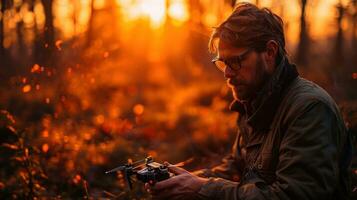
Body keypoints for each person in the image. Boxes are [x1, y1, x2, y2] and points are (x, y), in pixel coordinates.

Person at [145, 2, 352, 200]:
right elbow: (238, 168)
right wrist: (185, 181)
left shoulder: (309, 109)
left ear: (270, 52)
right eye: (223, 62)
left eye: (235, 61)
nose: (226, 73)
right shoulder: (253, 101)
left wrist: (201, 188)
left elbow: (294, 195)